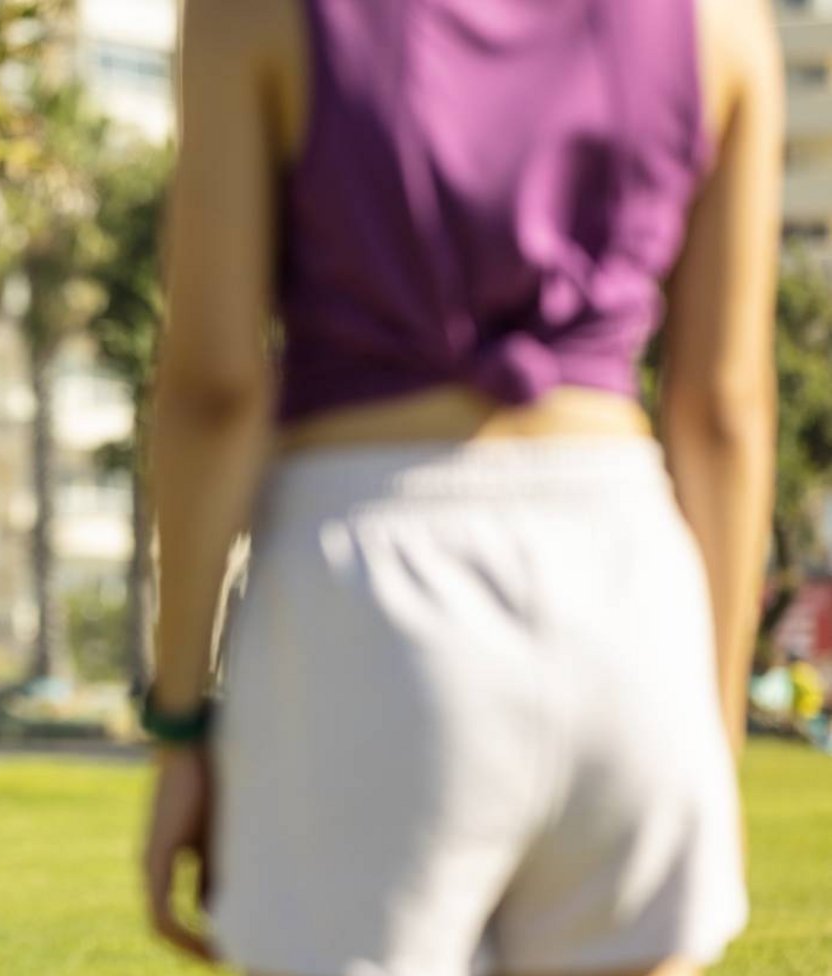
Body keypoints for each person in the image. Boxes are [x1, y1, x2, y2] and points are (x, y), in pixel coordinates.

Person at [141, 1, 780, 974]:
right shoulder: (722, 20)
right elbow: (723, 410)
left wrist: (183, 718)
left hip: (368, 577)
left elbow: (217, 390)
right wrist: (712, 722)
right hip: (627, 583)